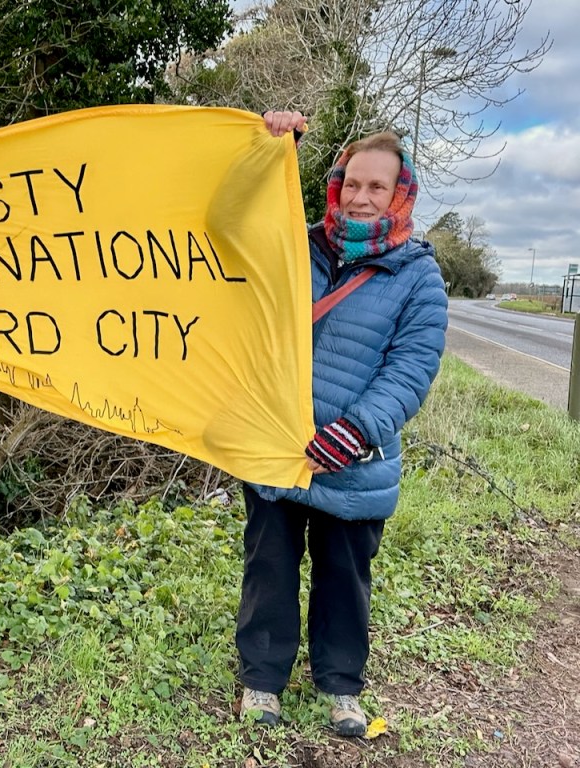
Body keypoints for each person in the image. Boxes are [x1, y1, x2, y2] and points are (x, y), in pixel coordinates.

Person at [235, 111, 449, 736]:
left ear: (399, 194)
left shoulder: (419, 278)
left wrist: (357, 431)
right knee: (268, 566)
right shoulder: (292, 245)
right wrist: (270, 151)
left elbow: (410, 369)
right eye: (352, 183)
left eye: (376, 187)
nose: (360, 197)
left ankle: (340, 689)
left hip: (355, 460)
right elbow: (232, 227)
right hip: (278, 448)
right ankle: (262, 683)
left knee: (344, 580)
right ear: (336, 184)